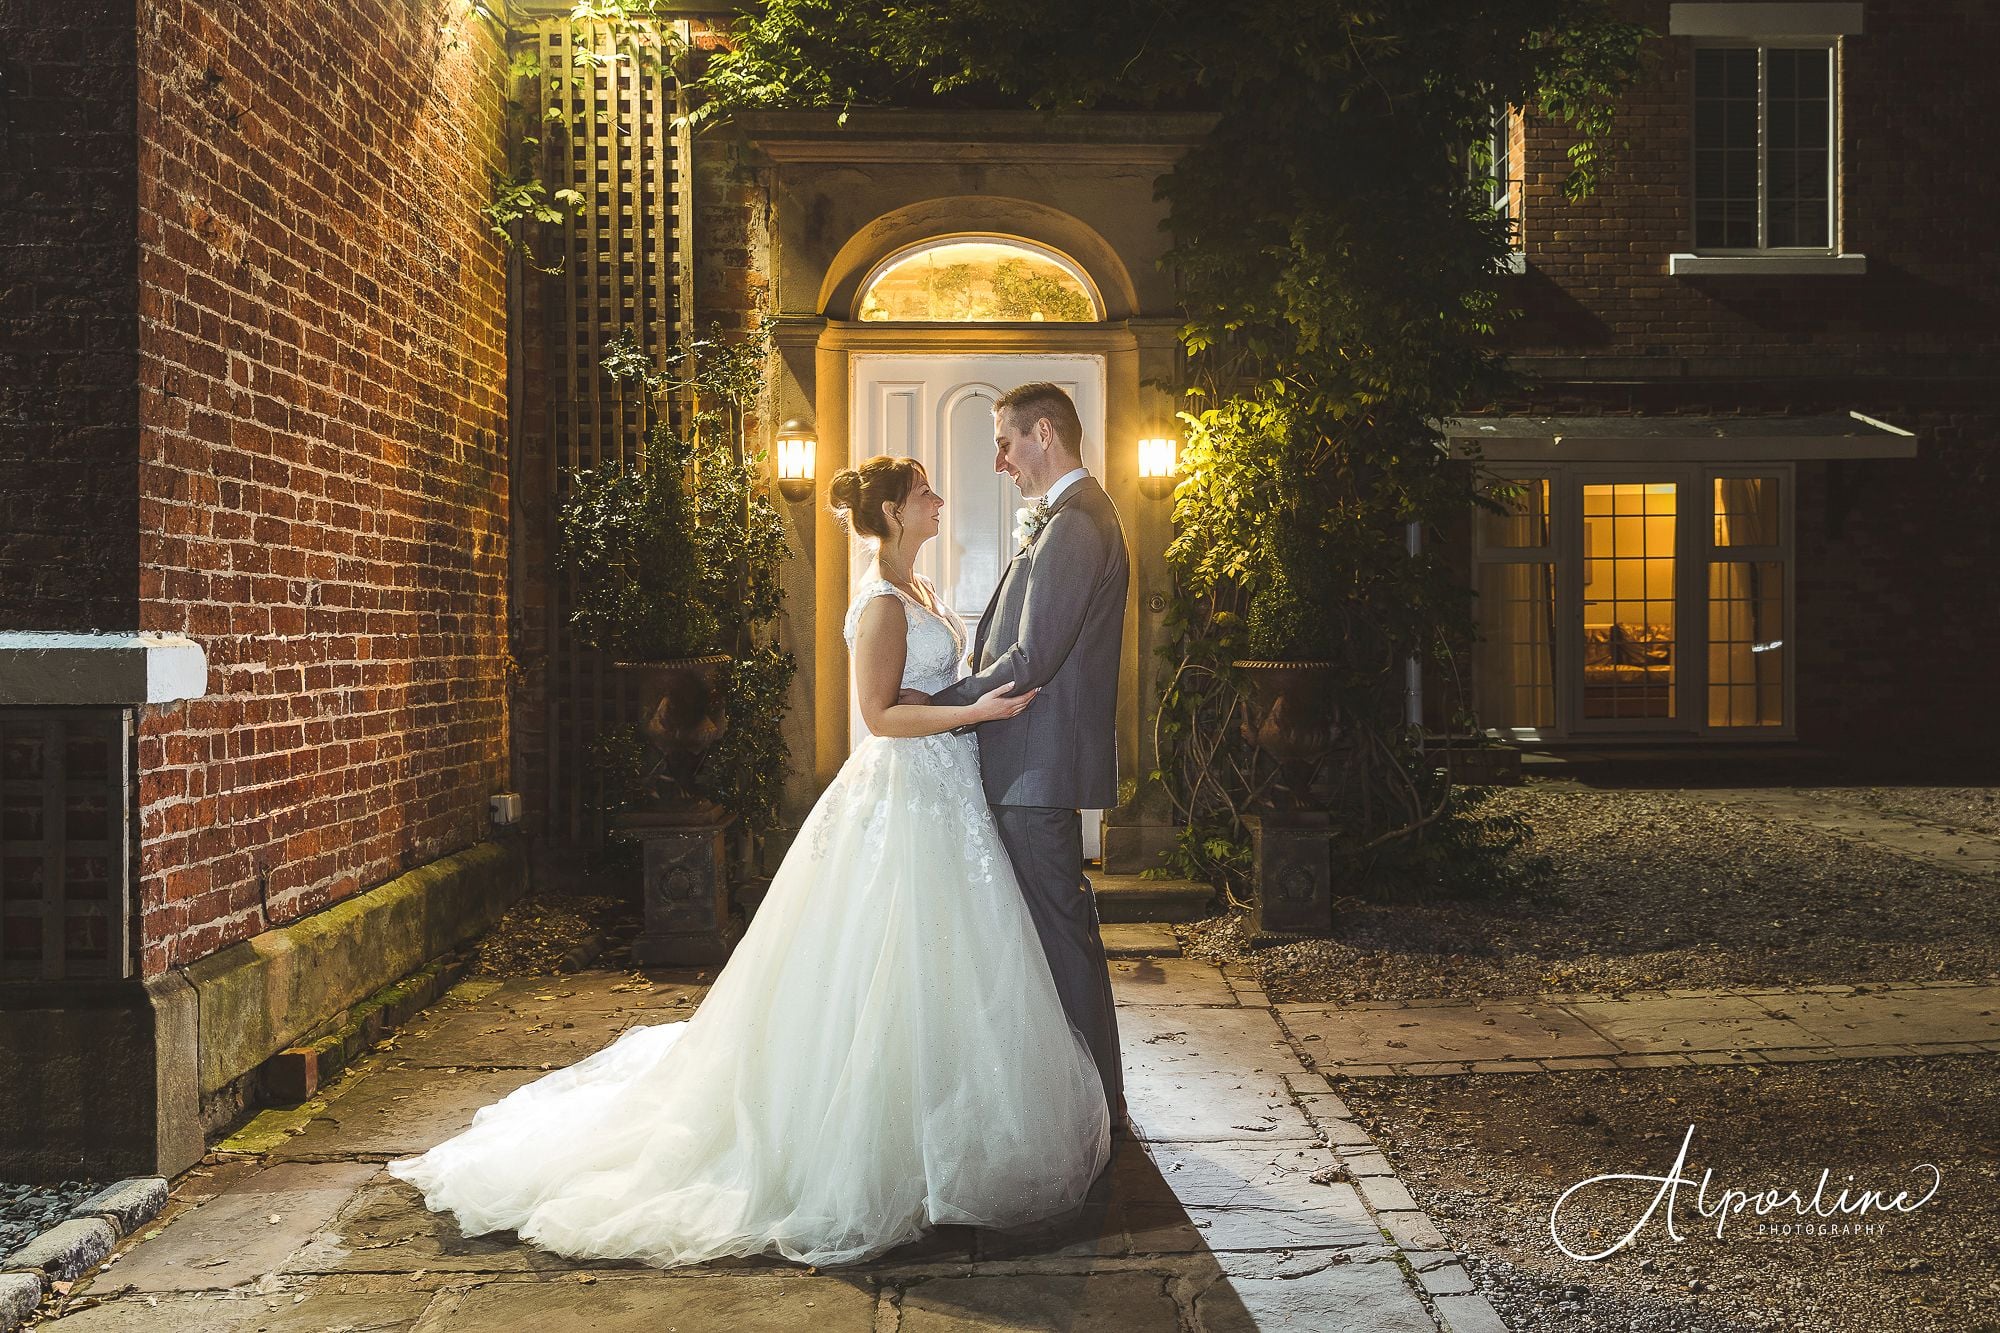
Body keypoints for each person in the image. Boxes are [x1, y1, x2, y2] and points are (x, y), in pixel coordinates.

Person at [384, 454, 1111, 1270]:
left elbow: (929, 689)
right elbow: (878, 716)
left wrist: (973, 703)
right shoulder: (878, 603)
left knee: (945, 967)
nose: (940, 499)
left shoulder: (924, 590)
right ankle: (868, 1146)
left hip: (948, 796)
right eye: (924, 493)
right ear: (896, 513)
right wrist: (978, 707)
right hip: (906, 796)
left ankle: (941, 1128)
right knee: (878, 962)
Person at [905, 382, 1130, 1134]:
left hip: (1036, 768)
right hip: (1030, 764)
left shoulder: (1074, 524)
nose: (1000, 461)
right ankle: (1079, 1098)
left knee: (1060, 935)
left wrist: (941, 709)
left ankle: (1095, 1107)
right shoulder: (1067, 519)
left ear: (1044, 433)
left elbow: (1032, 656)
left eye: (1006, 442)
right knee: (1051, 934)